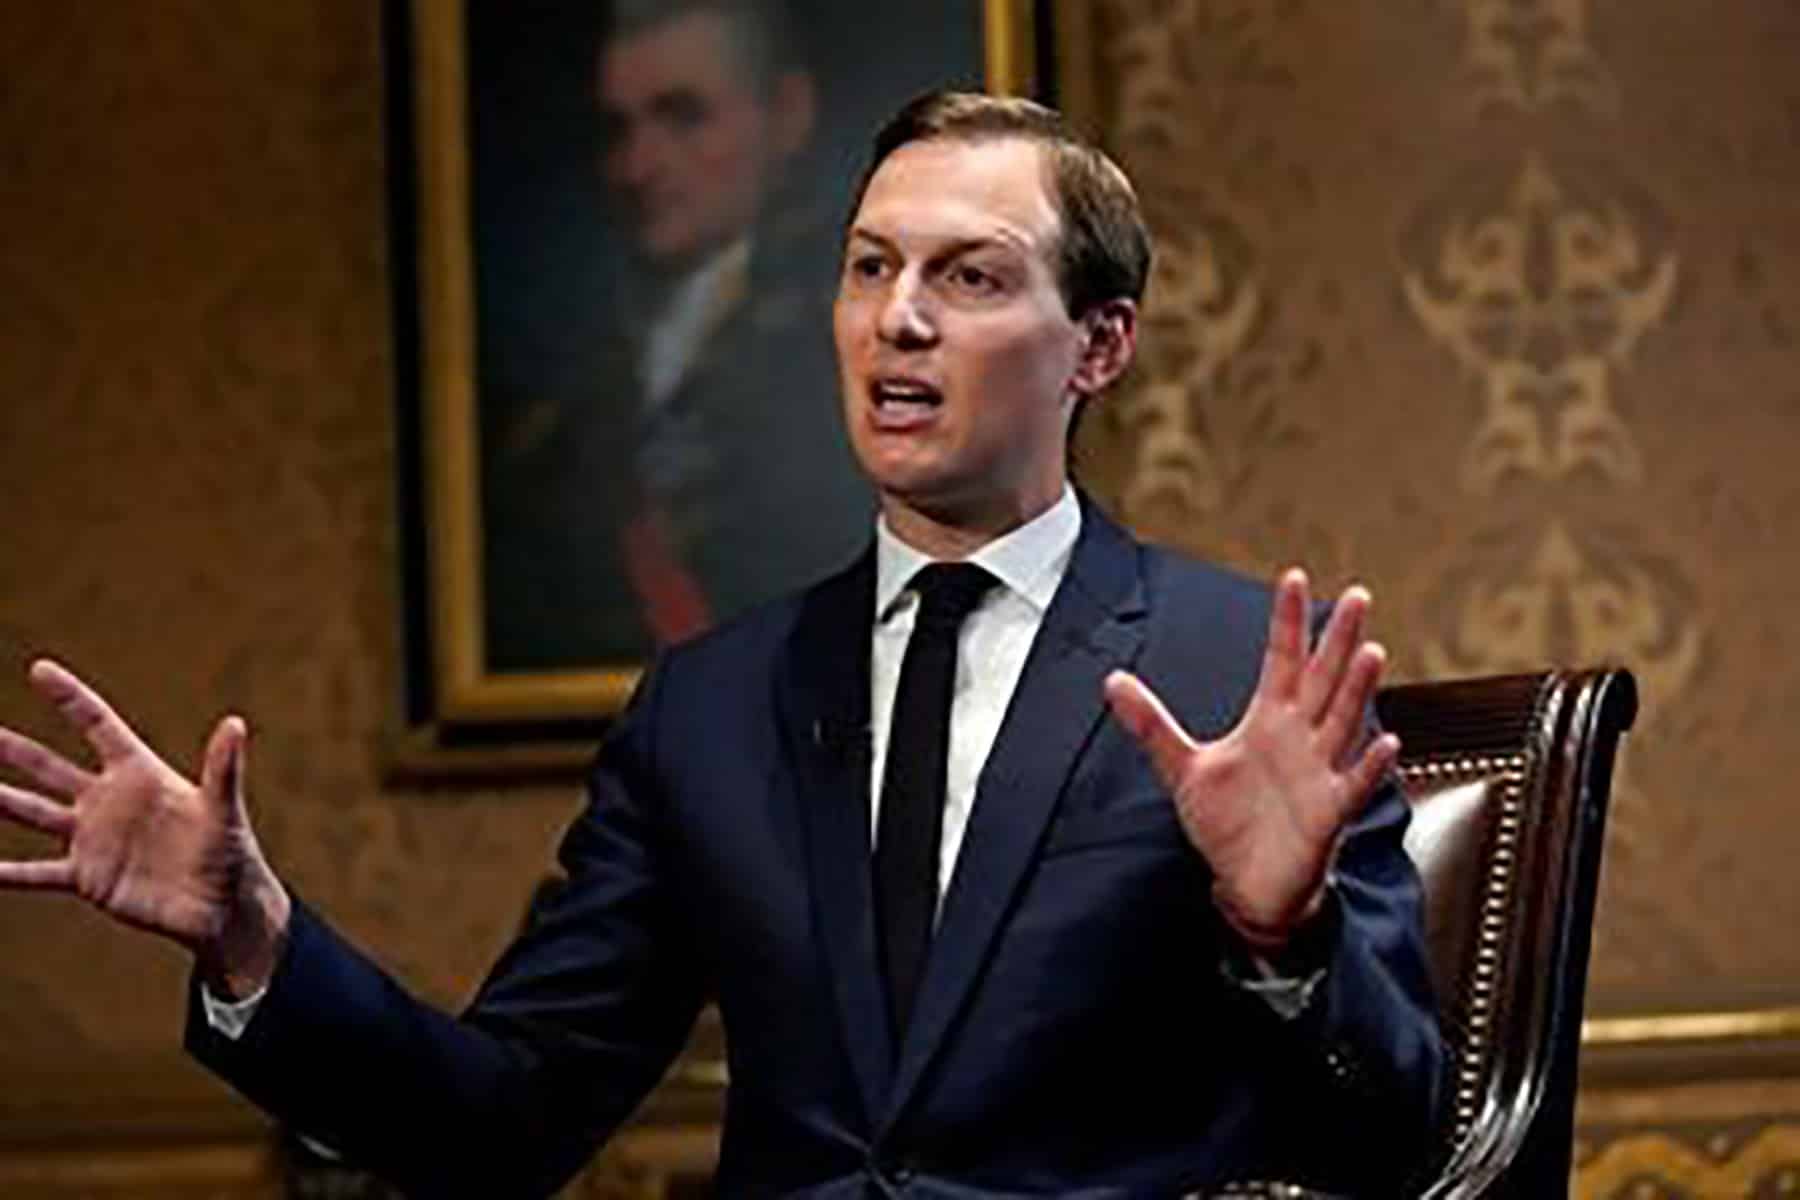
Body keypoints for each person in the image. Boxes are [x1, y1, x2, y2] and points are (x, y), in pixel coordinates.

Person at [0, 93, 1443, 1196]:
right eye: (870, 267)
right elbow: (505, 1118)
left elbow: (1404, 1139)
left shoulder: (1243, 672)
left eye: (971, 278)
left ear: (1101, 345)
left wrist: (1284, 935)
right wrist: (254, 937)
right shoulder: (710, 703)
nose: (899, 320)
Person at [483, 0, 872, 666]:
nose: (638, 166)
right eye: (618, 129)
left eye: (683, 117)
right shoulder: (567, 395)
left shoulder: (849, 352)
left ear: (787, 115)